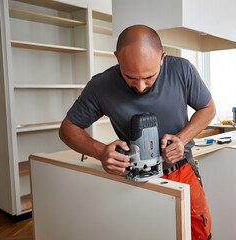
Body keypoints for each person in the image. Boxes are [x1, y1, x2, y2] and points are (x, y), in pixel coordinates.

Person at [59, 24, 216, 239]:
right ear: (117, 58)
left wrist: (182, 139)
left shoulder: (182, 70)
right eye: (131, 77)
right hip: (135, 177)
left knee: (198, 233)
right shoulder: (101, 86)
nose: (140, 87)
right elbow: (67, 129)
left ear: (162, 58)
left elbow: (208, 108)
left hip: (182, 170)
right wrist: (101, 151)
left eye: (149, 77)